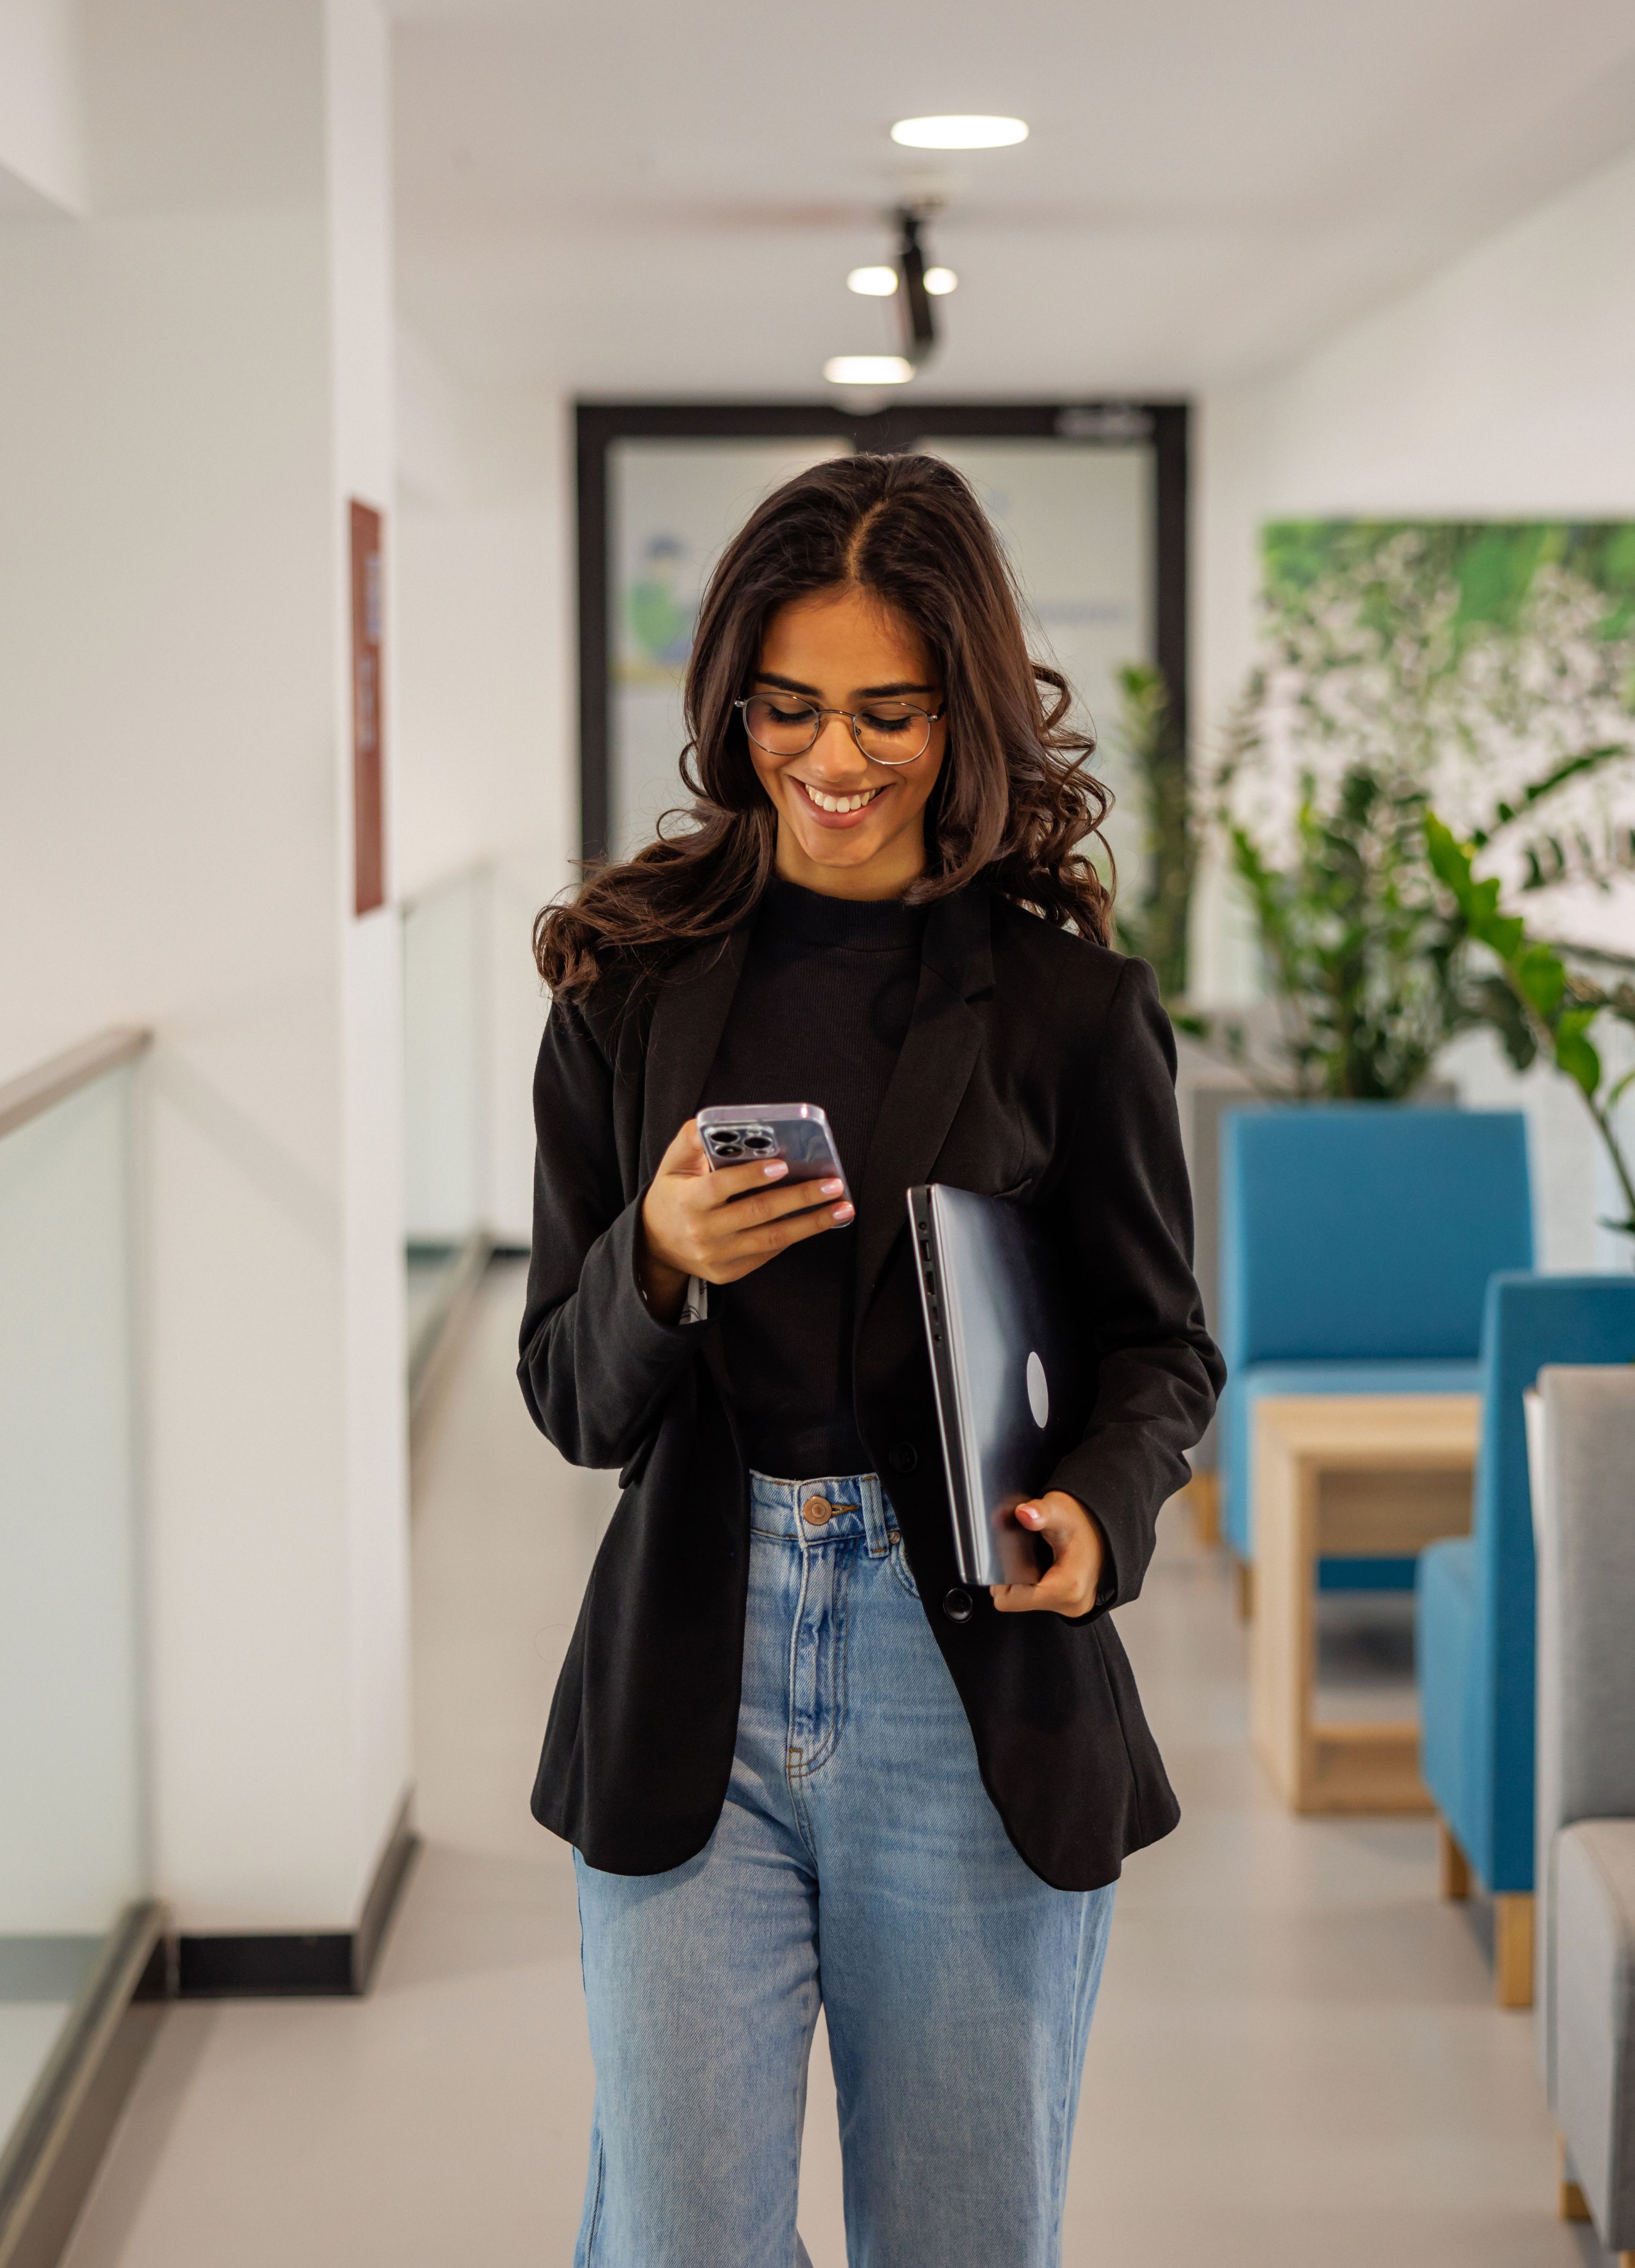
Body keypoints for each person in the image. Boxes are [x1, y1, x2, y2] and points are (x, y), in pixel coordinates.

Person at [519, 449, 1220, 2266]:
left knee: (965, 2241)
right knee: (680, 2240)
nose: (835, 761)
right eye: (792, 708)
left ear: (966, 707)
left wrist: (1099, 1511)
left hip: (966, 1664)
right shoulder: (622, 985)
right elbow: (566, 1396)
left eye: (890, 714)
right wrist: (654, 1266)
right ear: (733, 703)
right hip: (697, 1652)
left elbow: (1163, 1350)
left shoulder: (1071, 1010)